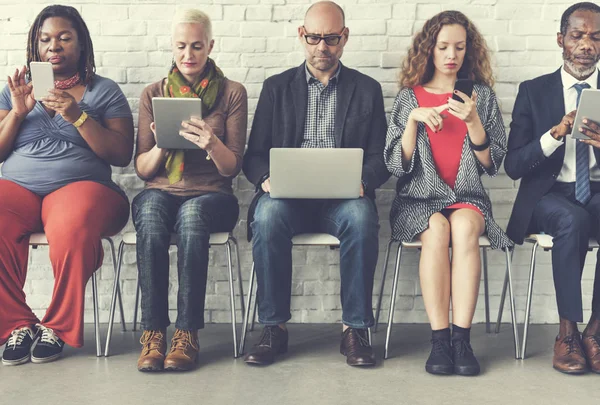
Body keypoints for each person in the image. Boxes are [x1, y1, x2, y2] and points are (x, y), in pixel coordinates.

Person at [242, 1, 389, 367]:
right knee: (268, 215)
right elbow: (254, 154)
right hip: (288, 197)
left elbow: (381, 156)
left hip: (343, 199)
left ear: (345, 38)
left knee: (360, 216)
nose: (322, 46)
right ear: (301, 36)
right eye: (314, 38)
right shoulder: (276, 88)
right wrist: (265, 179)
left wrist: (364, 181)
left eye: (331, 38)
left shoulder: (367, 89)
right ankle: (274, 328)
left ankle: (354, 330)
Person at [0, 5, 133, 365]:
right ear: (35, 47)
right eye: (45, 39)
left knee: (72, 223)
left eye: (63, 37)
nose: (53, 46)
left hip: (84, 187)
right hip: (17, 187)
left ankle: (56, 327)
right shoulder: (16, 90)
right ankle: (16, 324)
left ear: (81, 44)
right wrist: (17, 111)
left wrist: (78, 116)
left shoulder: (104, 92)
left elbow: (122, 154)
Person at [384, 10, 512, 376]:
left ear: (468, 50)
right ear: (430, 50)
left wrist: (473, 121)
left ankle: (462, 339)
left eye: (459, 47)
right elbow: (396, 165)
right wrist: (413, 120)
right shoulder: (410, 97)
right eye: (443, 47)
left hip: (467, 196)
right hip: (418, 200)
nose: (451, 54)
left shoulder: (481, 97)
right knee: (438, 230)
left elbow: (493, 163)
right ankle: (439, 340)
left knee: (465, 228)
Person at [132, 9, 247, 372]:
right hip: (161, 190)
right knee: (149, 213)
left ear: (210, 46)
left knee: (193, 215)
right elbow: (142, 169)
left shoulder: (232, 93)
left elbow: (233, 168)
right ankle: (153, 332)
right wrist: (164, 143)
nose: (188, 55)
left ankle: (186, 333)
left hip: (214, 195)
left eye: (197, 46)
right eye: (181, 46)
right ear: (172, 47)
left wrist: (212, 143)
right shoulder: (154, 93)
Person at [505, 2, 600, 375]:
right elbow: (513, 166)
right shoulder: (533, 91)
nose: (586, 45)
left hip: (594, 188)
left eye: (595, 37)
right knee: (571, 219)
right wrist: (555, 134)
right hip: (548, 195)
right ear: (561, 40)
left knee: (582, 213)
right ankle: (567, 333)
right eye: (577, 35)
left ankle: (595, 331)